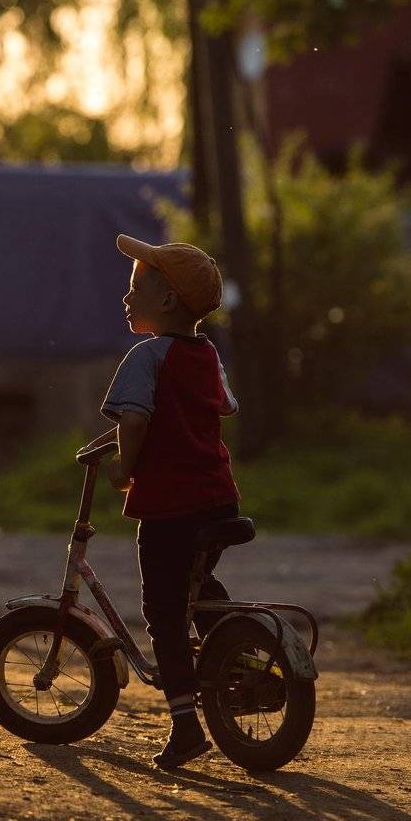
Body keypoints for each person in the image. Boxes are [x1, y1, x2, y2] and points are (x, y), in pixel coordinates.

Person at [99, 233, 240, 770]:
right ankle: (237, 654)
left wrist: (124, 467)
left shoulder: (146, 356)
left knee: (162, 611)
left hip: (169, 508)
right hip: (216, 500)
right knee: (198, 587)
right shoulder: (207, 354)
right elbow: (222, 405)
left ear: (167, 301)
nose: (126, 296)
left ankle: (185, 724)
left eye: (136, 287)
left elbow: (134, 420)